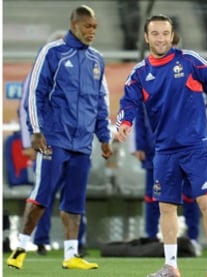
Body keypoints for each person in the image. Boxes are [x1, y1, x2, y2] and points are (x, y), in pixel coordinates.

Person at [116, 14, 207, 277]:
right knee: (166, 207)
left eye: (165, 33)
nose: (161, 38)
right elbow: (128, 104)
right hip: (165, 150)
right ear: (146, 37)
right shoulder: (139, 73)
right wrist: (124, 124)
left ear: (172, 35)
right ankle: (171, 266)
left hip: (196, 146)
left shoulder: (189, 61)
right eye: (155, 33)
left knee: (206, 201)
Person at [6, 5, 113, 270]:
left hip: (82, 142)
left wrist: (104, 136)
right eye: (87, 26)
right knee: (43, 194)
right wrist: (35, 131)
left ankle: (71, 254)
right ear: (74, 24)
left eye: (95, 27)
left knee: (75, 201)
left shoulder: (96, 60)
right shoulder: (52, 52)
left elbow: (99, 102)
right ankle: (20, 247)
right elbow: (34, 94)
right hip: (53, 138)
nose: (92, 32)